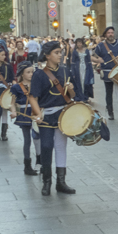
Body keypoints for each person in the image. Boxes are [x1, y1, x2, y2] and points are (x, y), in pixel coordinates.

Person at [29, 40, 76, 196]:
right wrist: (37, 114)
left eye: (60, 52)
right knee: (47, 146)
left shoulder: (65, 71)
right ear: (47, 55)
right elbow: (33, 97)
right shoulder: (39, 74)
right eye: (56, 52)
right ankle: (47, 182)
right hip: (47, 116)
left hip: (63, 114)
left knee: (61, 147)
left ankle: (61, 183)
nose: (60, 54)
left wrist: (71, 90)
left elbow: (73, 97)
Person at [11, 63, 41, 176]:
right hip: (24, 115)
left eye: (32, 72)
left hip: (36, 113)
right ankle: (27, 166)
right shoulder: (16, 87)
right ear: (22, 74)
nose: (31, 74)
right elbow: (12, 104)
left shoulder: (37, 85)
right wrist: (13, 111)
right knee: (27, 140)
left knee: (37, 137)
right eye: (28, 72)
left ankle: (39, 161)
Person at [95, 26, 118, 121]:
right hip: (107, 73)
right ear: (105, 34)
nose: (110, 34)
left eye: (112, 32)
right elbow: (93, 56)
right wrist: (98, 60)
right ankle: (110, 112)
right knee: (109, 93)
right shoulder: (101, 46)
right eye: (109, 33)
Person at [70, 38, 95, 103]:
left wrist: (90, 70)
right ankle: (80, 97)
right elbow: (73, 62)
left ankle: (86, 96)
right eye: (78, 43)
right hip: (78, 69)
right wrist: (72, 72)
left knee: (86, 82)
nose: (79, 44)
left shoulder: (86, 51)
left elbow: (89, 61)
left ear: (82, 43)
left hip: (86, 68)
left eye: (80, 43)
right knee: (79, 82)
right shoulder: (75, 51)